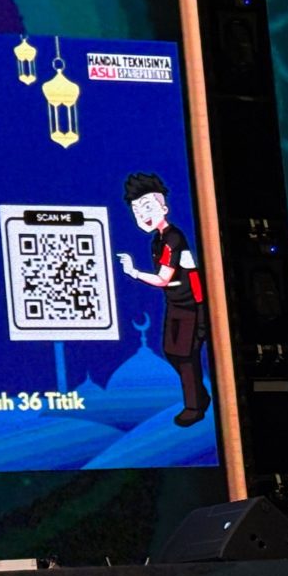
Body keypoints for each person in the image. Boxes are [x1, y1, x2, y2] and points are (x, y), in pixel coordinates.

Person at [116, 172, 211, 427]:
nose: (142, 215)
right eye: (137, 211)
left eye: (148, 207)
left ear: (164, 208)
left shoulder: (172, 238)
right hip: (176, 303)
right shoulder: (156, 241)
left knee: (186, 355)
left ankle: (194, 407)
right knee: (172, 351)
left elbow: (162, 279)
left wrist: (134, 272)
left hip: (192, 305)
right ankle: (200, 396)